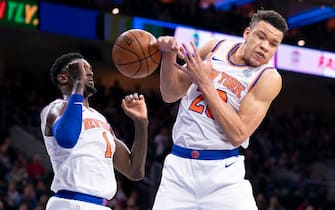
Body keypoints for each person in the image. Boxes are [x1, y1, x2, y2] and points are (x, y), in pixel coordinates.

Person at [153, 10, 288, 210]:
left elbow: (238, 134)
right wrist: (168, 55)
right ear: (247, 33)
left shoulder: (268, 78)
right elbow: (170, 94)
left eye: (273, 44)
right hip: (178, 169)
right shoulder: (215, 47)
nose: (265, 47)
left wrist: (205, 83)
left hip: (222, 175)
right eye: (261, 36)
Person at [40, 52, 149, 210]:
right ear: (63, 78)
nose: (89, 72)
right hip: (70, 202)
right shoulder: (55, 108)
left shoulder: (102, 120)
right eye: (82, 68)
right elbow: (67, 138)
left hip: (101, 205)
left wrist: (141, 124)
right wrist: (79, 83)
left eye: (90, 69)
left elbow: (135, 171)